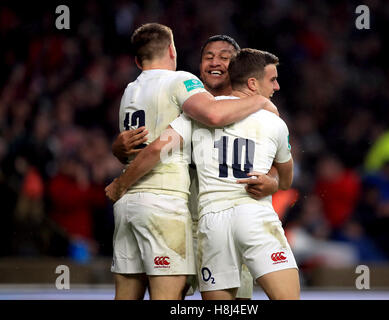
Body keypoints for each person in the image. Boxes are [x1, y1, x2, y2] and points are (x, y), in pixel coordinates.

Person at [106, 48, 300, 300]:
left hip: (211, 222)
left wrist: (121, 182)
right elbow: (286, 180)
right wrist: (273, 182)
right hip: (253, 215)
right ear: (252, 83)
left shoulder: (193, 117)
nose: (277, 86)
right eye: (272, 80)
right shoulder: (273, 120)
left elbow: (156, 149)